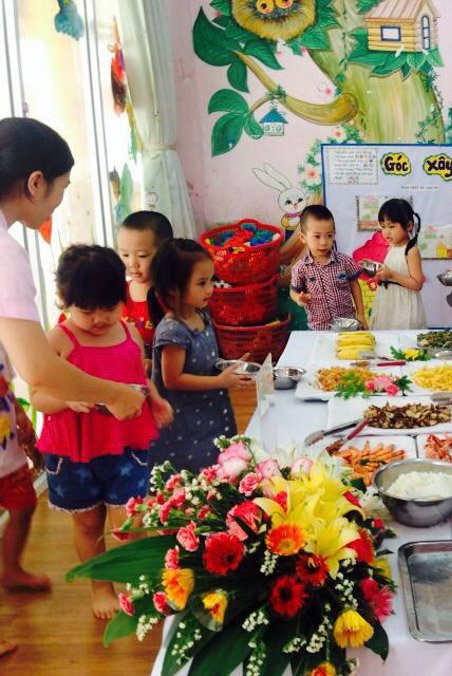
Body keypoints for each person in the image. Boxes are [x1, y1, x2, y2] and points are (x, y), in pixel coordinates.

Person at [0, 117, 143, 654]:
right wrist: (117, 395)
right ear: (35, 182)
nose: (58, 203)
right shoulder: (6, 252)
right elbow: (39, 368)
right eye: (59, 190)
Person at [31, 245, 173, 619]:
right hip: (74, 452)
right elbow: (38, 396)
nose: (99, 319)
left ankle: (140, 582)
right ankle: (101, 589)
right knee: (88, 522)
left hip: (125, 445)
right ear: (64, 301)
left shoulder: (126, 331)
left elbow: (138, 377)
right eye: (87, 309)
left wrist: (154, 399)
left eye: (109, 307)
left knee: (133, 519)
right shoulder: (58, 340)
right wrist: (67, 401)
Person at [149, 239, 251, 473]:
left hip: (213, 414)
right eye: (202, 283)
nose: (210, 289)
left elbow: (204, 363)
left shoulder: (201, 316)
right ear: (174, 289)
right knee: (194, 480)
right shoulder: (173, 330)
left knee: (221, 469)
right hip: (186, 428)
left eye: (211, 280)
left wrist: (228, 368)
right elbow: (172, 379)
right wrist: (219, 381)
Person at [289, 205, 367, 331]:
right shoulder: (300, 268)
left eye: (329, 235)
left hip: (348, 326)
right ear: (303, 238)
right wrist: (298, 298)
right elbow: (293, 291)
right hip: (318, 328)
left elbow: (355, 285)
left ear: (334, 234)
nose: (324, 242)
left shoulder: (344, 261)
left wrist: (361, 314)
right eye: (317, 236)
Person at [116, 210, 174, 355]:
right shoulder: (117, 292)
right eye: (125, 254)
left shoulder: (172, 296)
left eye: (142, 255)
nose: (132, 263)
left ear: (164, 253)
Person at [369, 198, 427, 330]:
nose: (386, 232)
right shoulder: (392, 246)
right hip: (388, 301)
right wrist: (378, 272)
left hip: (404, 305)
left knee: (403, 339)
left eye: (392, 226)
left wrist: (392, 275)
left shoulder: (411, 250)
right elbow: (391, 271)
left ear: (409, 226)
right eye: (383, 227)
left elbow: (417, 284)